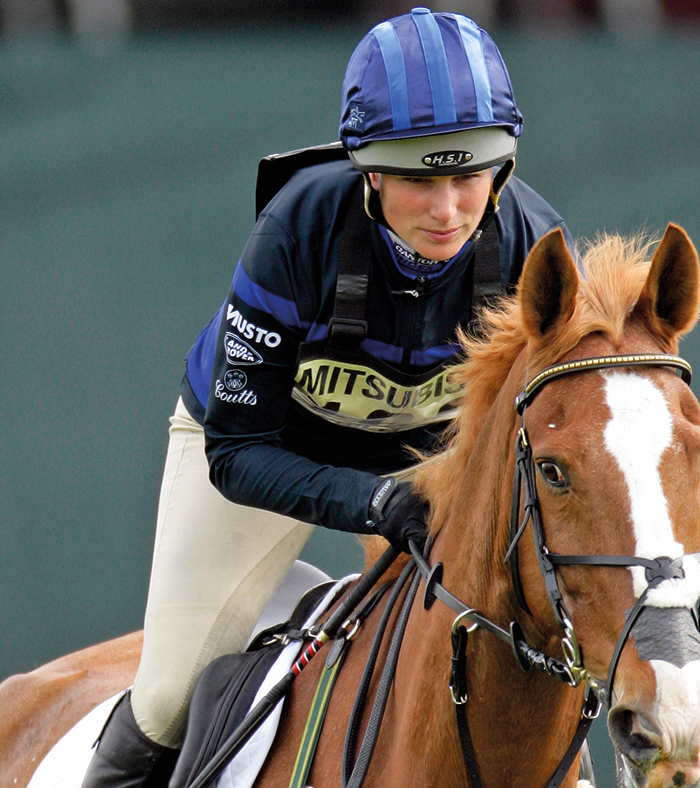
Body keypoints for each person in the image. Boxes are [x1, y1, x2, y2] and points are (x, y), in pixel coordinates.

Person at [81, 8, 569, 788]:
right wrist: (374, 503)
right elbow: (237, 455)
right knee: (169, 697)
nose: (447, 211)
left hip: (422, 470)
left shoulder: (534, 250)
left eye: (468, 175)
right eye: (418, 177)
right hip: (270, 450)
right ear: (369, 169)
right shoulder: (295, 231)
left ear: (502, 169)